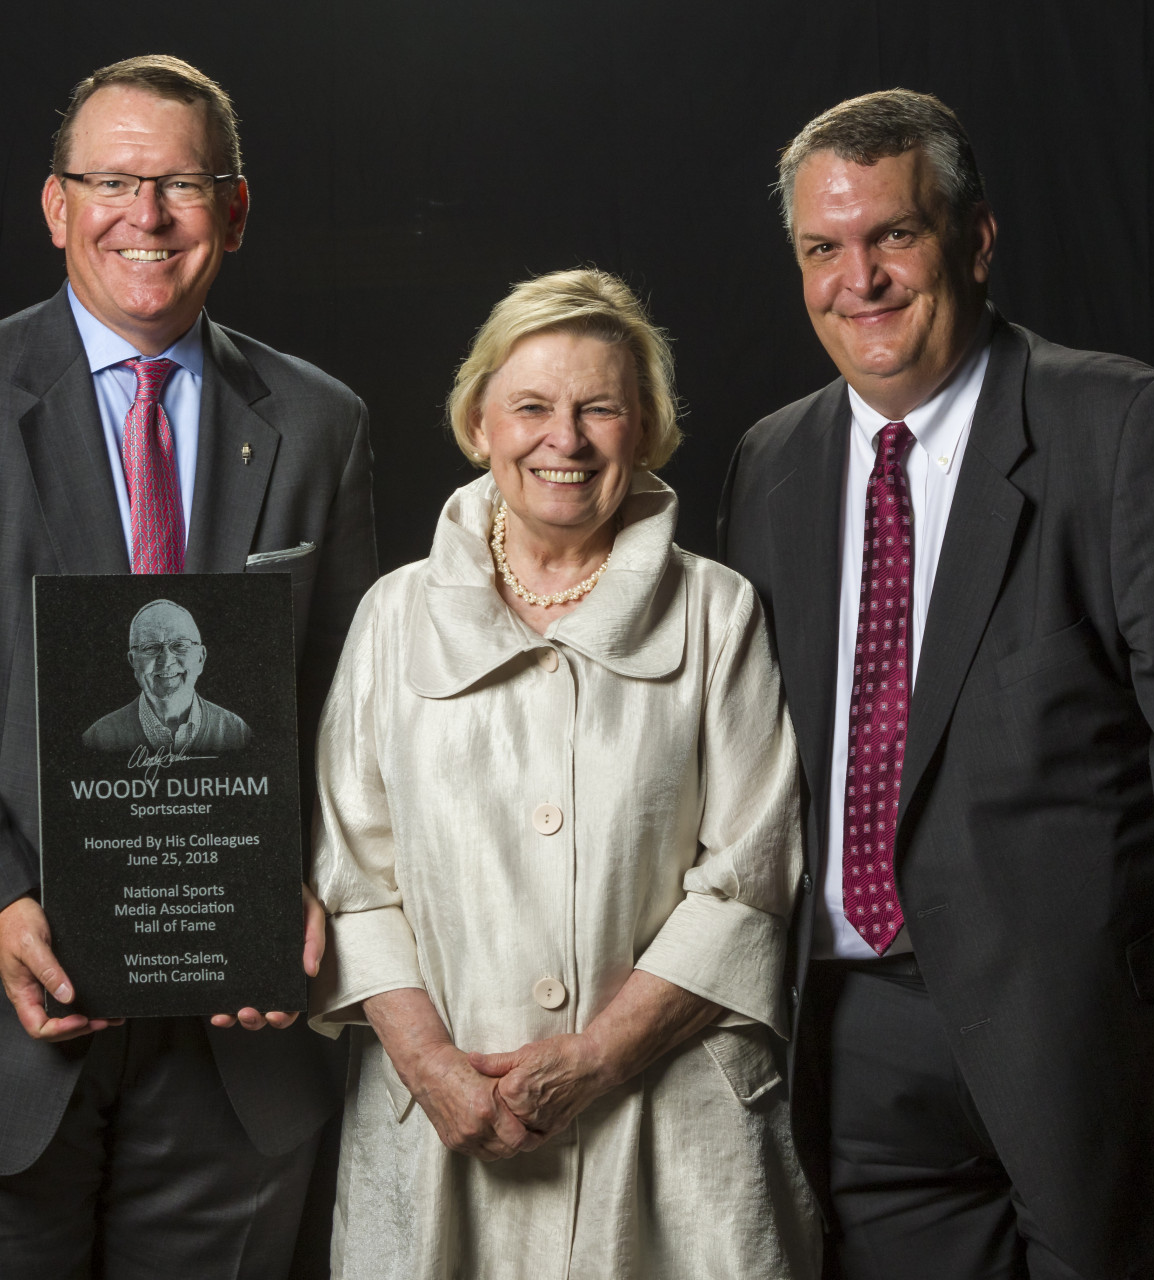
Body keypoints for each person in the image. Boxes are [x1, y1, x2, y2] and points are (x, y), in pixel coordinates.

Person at [0, 54, 377, 1279]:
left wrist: (305, 886)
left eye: (180, 184)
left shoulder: (319, 421)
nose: (145, 216)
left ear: (237, 207)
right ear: (56, 206)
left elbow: (343, 697)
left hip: (229, 1052)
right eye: (111, 180)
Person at [717, 89, 1154, 1279]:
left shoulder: (1127, 426)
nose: (860, 278)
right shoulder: (774, 461)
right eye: (823, 249)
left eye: (895, 234)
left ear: (976, 239)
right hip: (856, 1032)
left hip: (1097, 1032)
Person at [308, 268, 820, 1279]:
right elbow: (353, 877)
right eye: (533, 407)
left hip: (669, 1121)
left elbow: (751, 873)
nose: (566, 439)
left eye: (600, 408)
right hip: (438, 1127)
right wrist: (435, 1069)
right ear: (478, 421)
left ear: (647, 427)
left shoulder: (719, 613)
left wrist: (592, 1059)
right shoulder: (393, 616)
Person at [82, 599, 252, 754]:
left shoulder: (237, 732)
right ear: (133, 661)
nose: (166, 661)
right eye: (150, 647)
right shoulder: (98, 738)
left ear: (200, 658)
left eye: (179, 645)